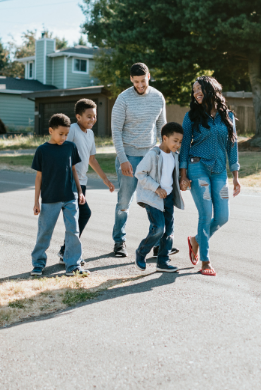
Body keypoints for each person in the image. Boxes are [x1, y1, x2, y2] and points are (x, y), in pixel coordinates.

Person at [110, 62, 178, 258]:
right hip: (129, 156)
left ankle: (157, 243)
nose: (140, 85)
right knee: (124, 201)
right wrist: (123, 159)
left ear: (149, 76)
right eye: (136, 81)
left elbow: (161, 127)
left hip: (150, 156)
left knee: (156, 199)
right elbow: (116, 131)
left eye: (143, 80)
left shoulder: (158, 97)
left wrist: (164, 154)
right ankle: (119, 241)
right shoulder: (123, 99)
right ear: (131, 80)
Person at [179, 76, 241, 277]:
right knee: (205, 215)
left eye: (200, 89)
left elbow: (233, 147)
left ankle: (196, 240)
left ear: (211, 90)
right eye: (194, 90)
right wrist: (183, 174)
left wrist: (236, 176)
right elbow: (184, 146)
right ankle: (205, 261)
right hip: (197, 168)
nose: (196, 93)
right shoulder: (191, 117)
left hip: (220, 172)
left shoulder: (227, 116)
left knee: (223, 216)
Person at [30, 113, 90, 277]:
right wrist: (36, 201)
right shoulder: (42, 150)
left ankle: (73, 265)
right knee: (45, 232)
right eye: (60, 134)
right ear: (51, 130)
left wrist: (79, 192)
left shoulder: (70, 147)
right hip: (50, 199)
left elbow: (73, 171)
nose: (64, 137)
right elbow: (38, 177)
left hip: (70, 197)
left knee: (73, 231)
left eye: (66, 134)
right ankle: (38, 264)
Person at [58, 99, 116, 263]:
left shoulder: (90, 134)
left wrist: (105, 179)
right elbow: (64, 154)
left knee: (78, 216)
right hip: (70, 180)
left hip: (82, 181)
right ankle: (69, 252)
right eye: (88, 116)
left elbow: (92, 159)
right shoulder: (73, 130)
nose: (93, 119)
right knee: (81, 214)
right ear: (78, 116)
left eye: (94, 116)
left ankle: (66, 250)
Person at [133, 122, 185, 273]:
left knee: (168, 231)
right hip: (153, 198)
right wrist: (156, 188)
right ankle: (141, 252)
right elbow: (140, 173)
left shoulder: (175, 156)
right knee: (158, 229)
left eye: (180, 142)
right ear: (164, 138)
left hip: (168, 197)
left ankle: (163, 262)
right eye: (175, 141)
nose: (178, 144)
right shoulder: (153, 155)